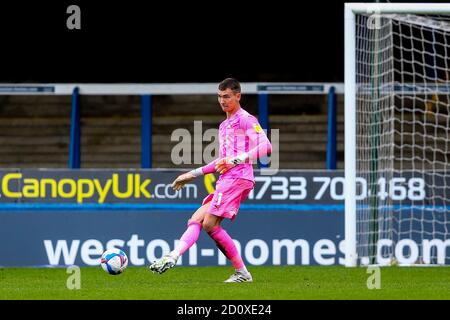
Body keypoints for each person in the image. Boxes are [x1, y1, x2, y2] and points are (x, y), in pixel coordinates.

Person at [149, 78, 272, 282]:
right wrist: (192, 174)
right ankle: (173, 255)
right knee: (197, 219)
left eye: (227, 96)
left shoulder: (245, 119)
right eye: (219, 96)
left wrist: (236, 159)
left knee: (209, 224)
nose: (222, 101)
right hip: (228, 178)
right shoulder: (224, 125)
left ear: (238, 96)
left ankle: (242, 273)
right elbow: (221, 161)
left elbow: (266, 146)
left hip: (238, 177)